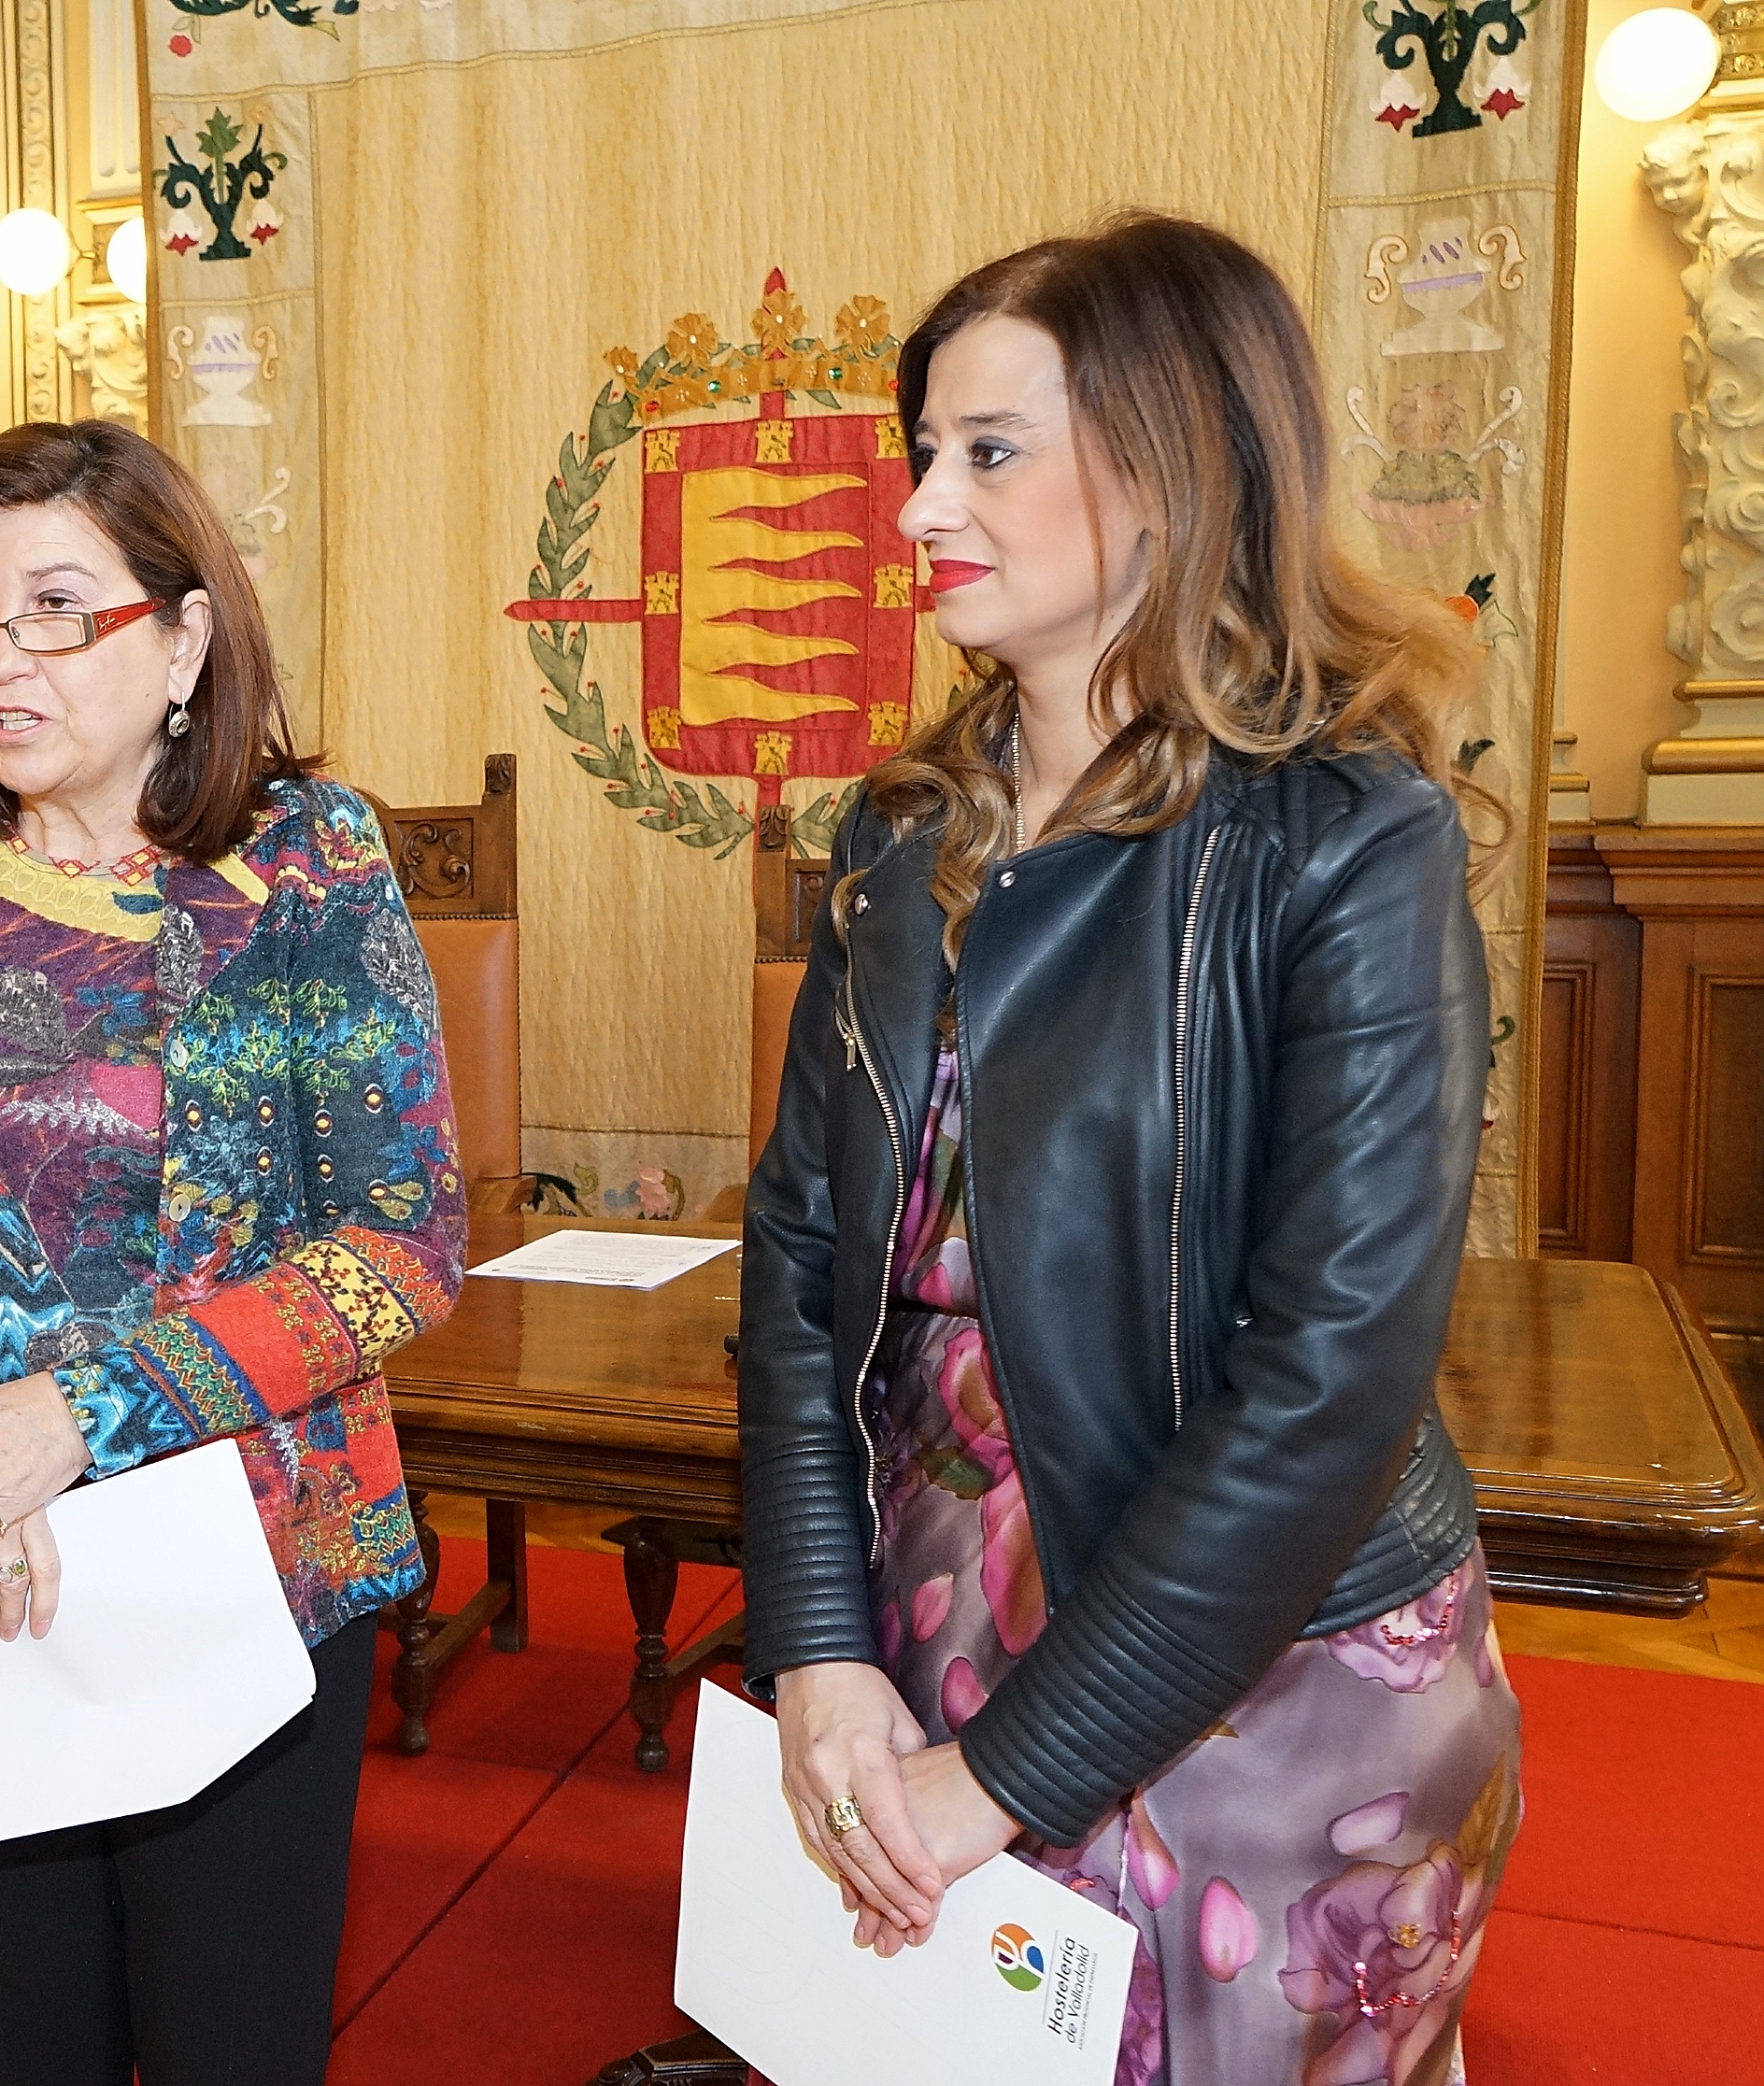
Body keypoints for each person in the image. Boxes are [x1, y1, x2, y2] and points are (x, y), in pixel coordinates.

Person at [740, 215, 1520, 2086]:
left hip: (1263, 1669)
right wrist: (817, 1642)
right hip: (931, 1598)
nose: (920, 505)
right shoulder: (900, 834)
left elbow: (1327, 1381)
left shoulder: (1348, 836)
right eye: (921, 452)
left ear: (1170, 472)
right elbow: (795, 1267)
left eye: (986, 451)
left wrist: (1005, 1773)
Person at [0, 419, 462, 2086]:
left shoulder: (304, 861)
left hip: (249, 1566)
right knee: (25, 2042)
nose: (2, 656)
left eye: (58, 607)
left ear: (183, 637)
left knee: (226, 2045)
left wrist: (70, 1419)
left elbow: (401, 1240)